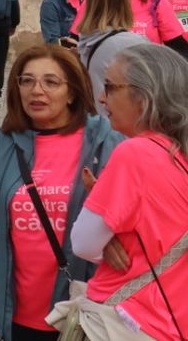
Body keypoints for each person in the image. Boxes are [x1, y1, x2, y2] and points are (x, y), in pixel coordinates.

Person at [0, 42, 120, 341]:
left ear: (72, 92)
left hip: (85, 304)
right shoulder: (2, 142)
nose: (36, 91)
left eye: (51, 82)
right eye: (27, 81)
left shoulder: (107, 142)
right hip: (17, 308)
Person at [68, 43, 188, 340]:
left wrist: (109, 232)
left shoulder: (134, 154)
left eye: (110, 86)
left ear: (144, 96)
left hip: (129, 319)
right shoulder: (179, 153)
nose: (101, 97)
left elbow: (83, 243)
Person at [73, 0, 150, 120]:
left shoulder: (87, 40)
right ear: (124, 0)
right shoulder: (131, 43)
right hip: (124, 124)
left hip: (98, 123)